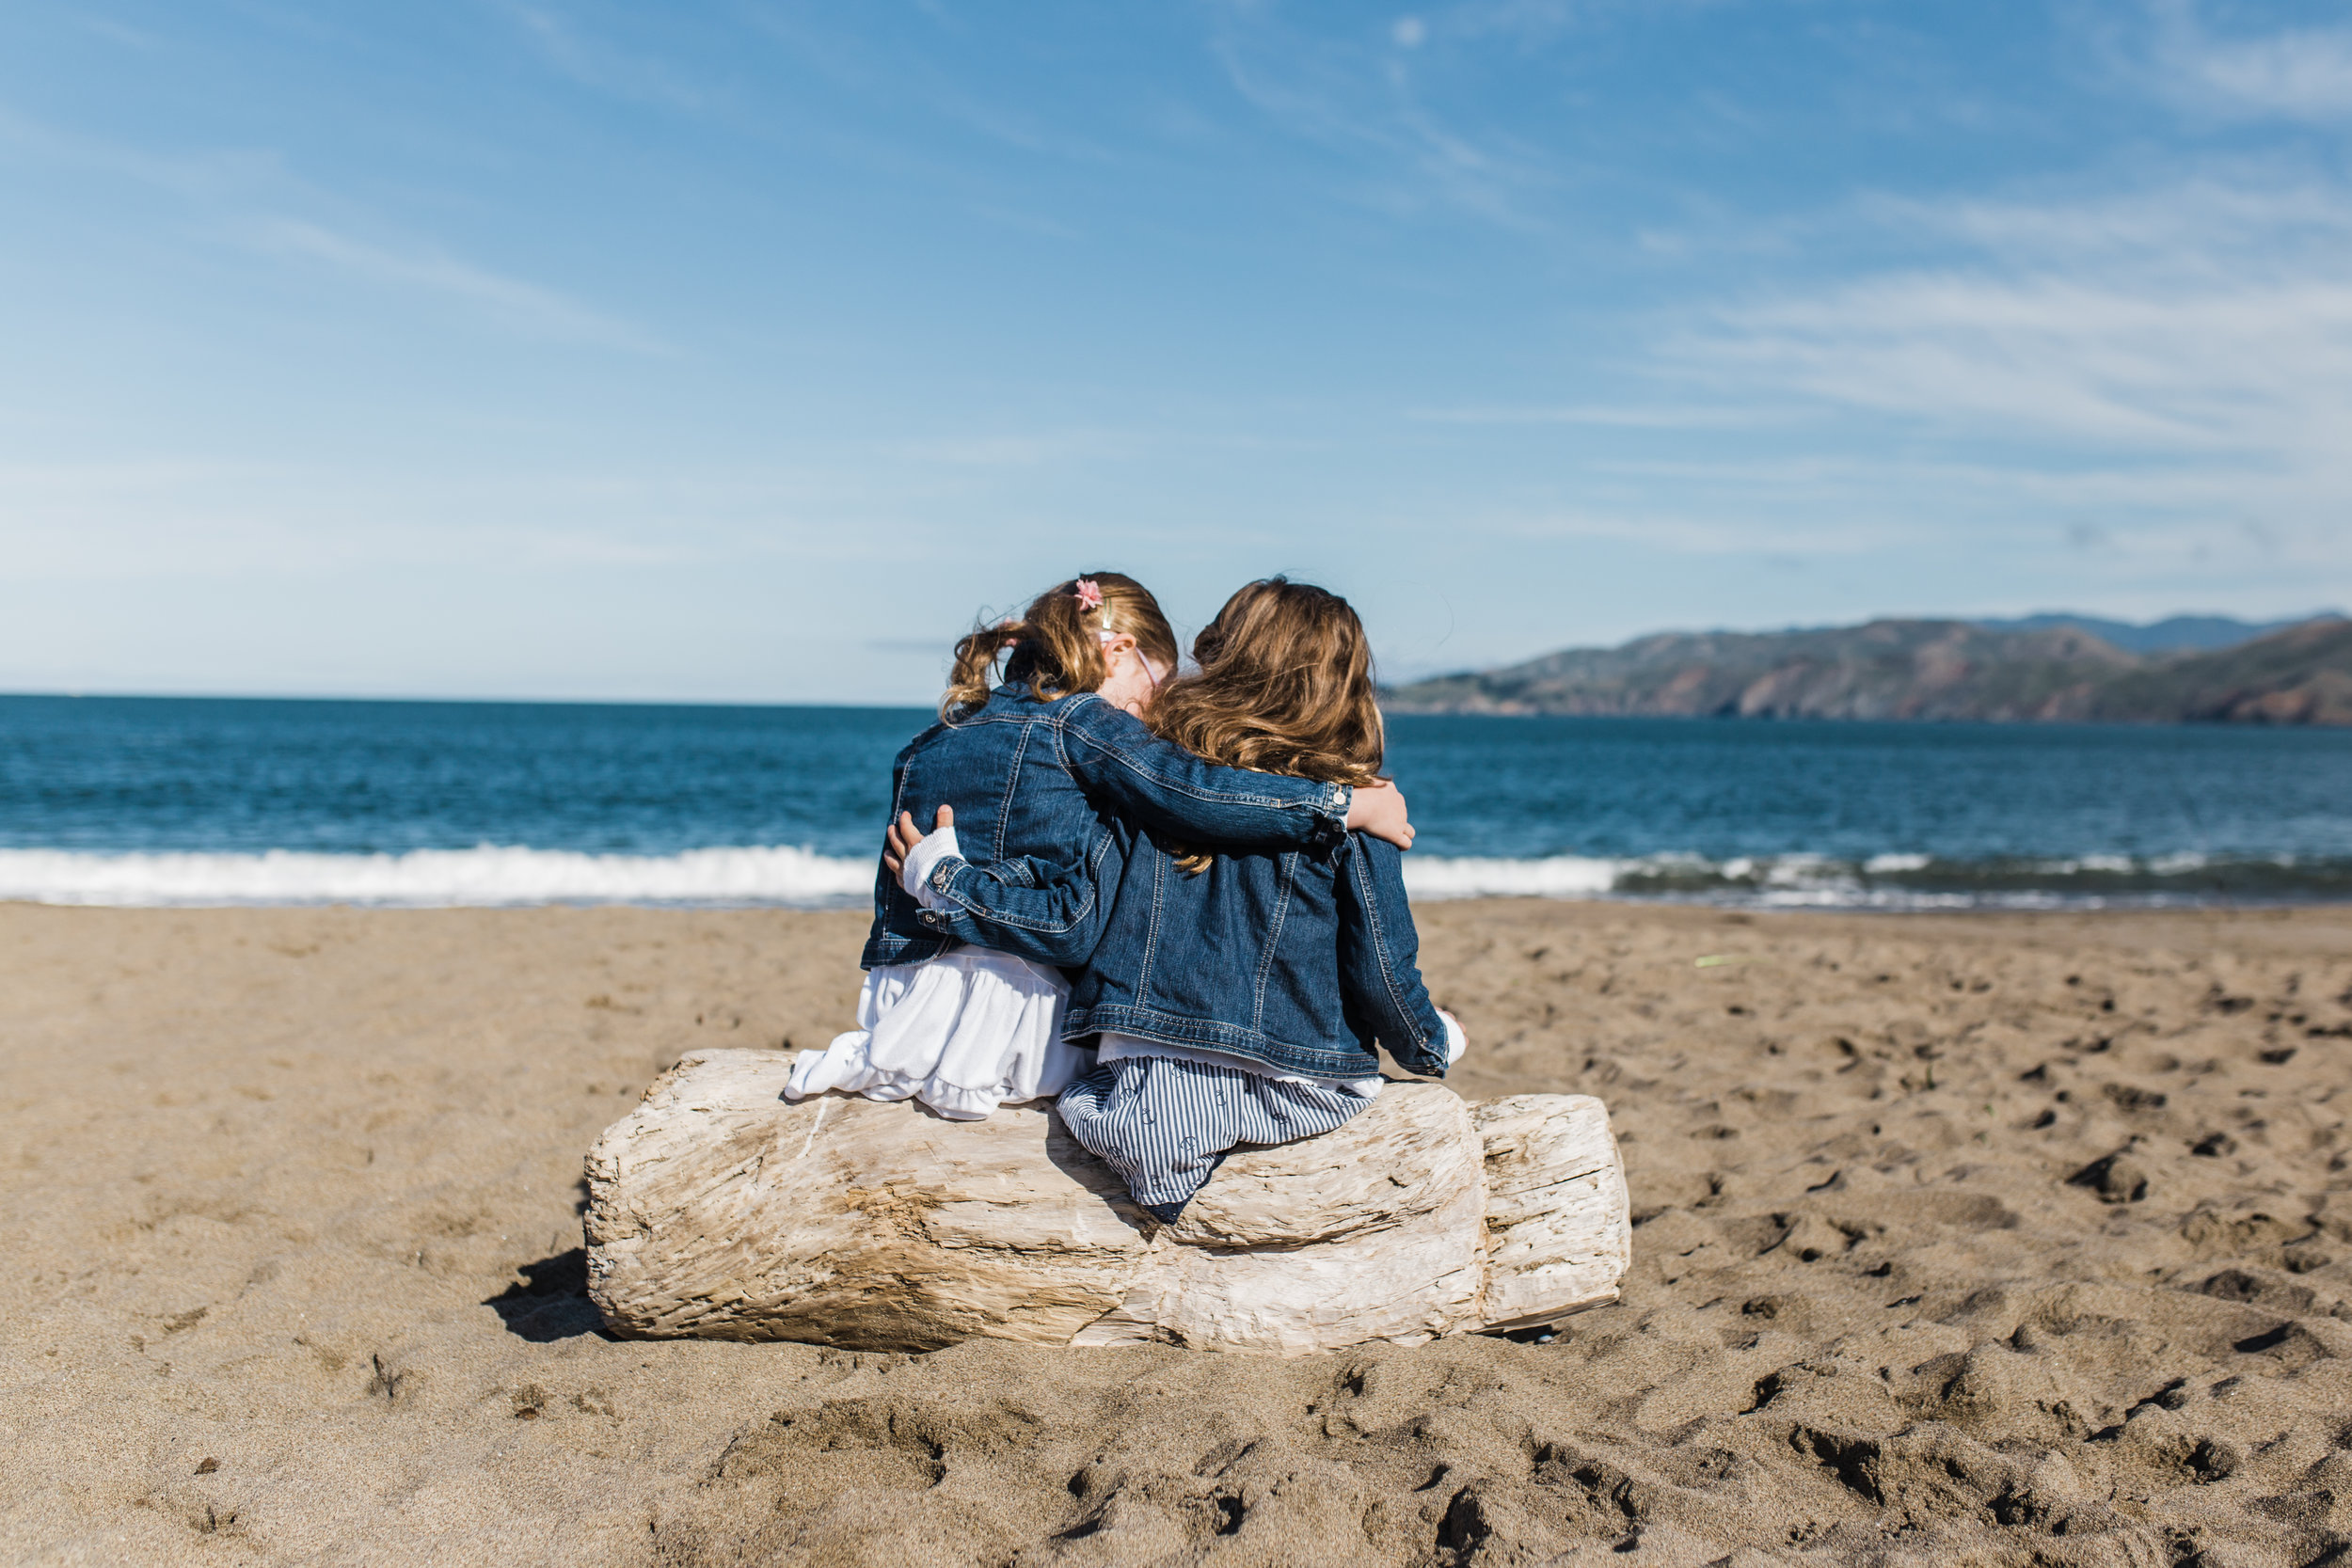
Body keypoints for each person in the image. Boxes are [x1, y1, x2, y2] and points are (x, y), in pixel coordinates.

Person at [886, 577, 1465, 1222]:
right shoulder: (1351, 809)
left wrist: (948, 887)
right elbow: (1380, 969)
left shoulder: (1134, 786)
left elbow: (1083, 922)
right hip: (1289, 1085)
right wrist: (1429, 1044)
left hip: (1123, 1082)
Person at [786, 572, 1415, 1121]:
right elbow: (1194, 794)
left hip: (899, 1007)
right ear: (1119, 651)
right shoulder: (1089, 724)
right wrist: (1343, 804)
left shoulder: (930, 739)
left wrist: (938, 887)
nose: (1157, 711)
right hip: (1013, 1022)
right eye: (1158, 686)